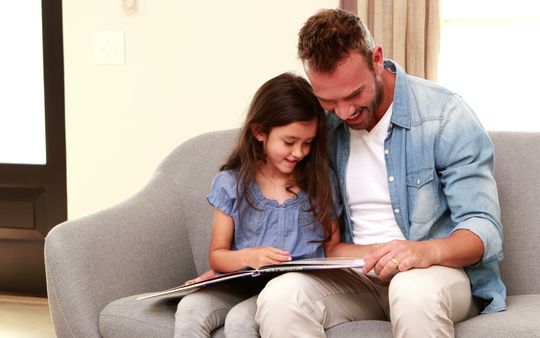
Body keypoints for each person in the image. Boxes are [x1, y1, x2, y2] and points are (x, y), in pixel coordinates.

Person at [254, 8, 507, 338]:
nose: (344, 112)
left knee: (412, 292)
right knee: (280, 297)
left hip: (436, 274)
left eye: (355, 94)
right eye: (329, 101)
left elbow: (484, 228)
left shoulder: (443, 115)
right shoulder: (323, 127)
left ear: (376, 59)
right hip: (358, 277)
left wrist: (423, 251)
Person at [173, 72, 342, 338]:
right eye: (289, 142)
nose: (298, 152)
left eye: (307, 143)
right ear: (260, 132)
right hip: (242, 284)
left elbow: (333, 249)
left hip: (290, 294)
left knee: (241, 321)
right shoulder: (231, 184)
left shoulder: (322, 182)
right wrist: (247, 257)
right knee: (190, 308)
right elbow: (217, 254)